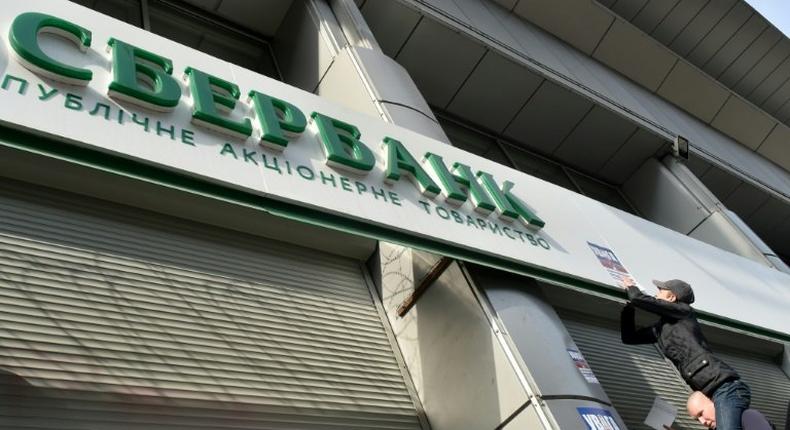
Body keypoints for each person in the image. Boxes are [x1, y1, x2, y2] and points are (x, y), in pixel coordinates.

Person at [620, 278, 751, 430]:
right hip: (716, 394)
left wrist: (631, 287)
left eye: (660, 292)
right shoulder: (660, 329)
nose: (656, 296)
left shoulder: (684, 311)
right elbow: (629, 338)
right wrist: (628, 311)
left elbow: (639, 299)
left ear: (671, 297)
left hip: (726, 389)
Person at [687, 391, 775, 430]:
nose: (702, 422)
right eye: (697, 419)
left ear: (713, 401)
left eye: (701, 413)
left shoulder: (748, 417)